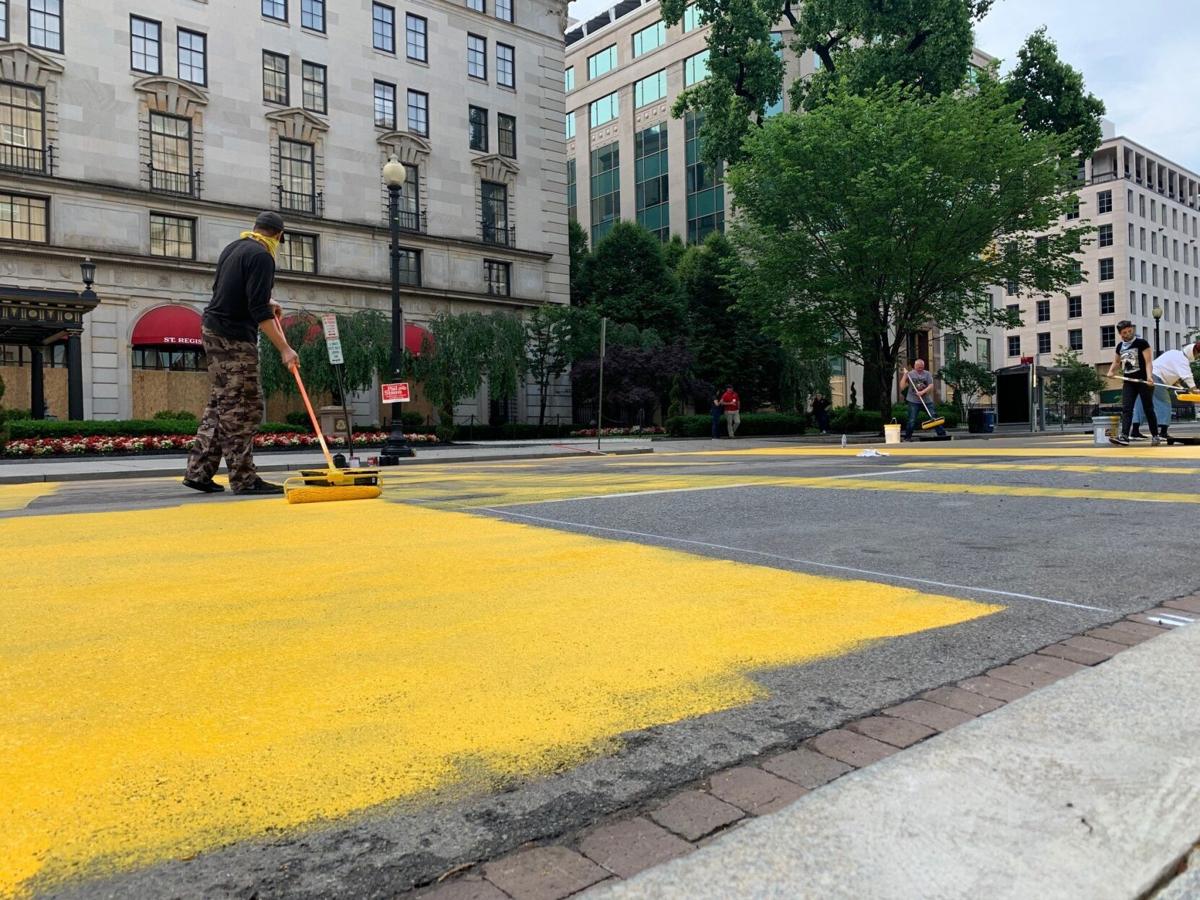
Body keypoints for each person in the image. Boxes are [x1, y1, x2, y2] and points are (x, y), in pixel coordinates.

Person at [183, 211, 300, 494]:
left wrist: (267, 300)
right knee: (243, 407)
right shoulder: (262, 256)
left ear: (256, 228)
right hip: (234, 338)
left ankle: (199, 472)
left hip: (213, 330)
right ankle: (245, 479)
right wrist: (285, 349)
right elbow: (258, 312)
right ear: (279, 236)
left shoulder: (234, 248)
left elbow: (232, 291)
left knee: (221, 405)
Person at [1130, 341, 1200, 440]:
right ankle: (1163, 432)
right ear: (1194, 352)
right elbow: (1188, 377)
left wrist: (1177, 383)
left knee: (1140, 402)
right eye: (1198, 355)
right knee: (1164, 402)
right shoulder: (1183, 360)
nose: (1198, 358)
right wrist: (1195, 390)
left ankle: (1135, 431)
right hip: (1155, 378)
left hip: (1146, 375)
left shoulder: (1173, 353)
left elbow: (1167, 369)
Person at [1105, 320, 1159, 446]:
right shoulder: (1120, 346)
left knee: (1148, 408)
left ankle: (1155, 435)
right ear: (1120, 334)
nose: (1128, 334)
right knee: (1127, 408)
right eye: (1125, 332)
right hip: (1129, 381)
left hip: (1143, 380)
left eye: (1130, 331)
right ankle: (1124, 436)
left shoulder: (1141, 343)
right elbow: (1117, 362)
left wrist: (1150, 377)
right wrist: (1111, 371)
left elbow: (1148, 362)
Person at [899, 360, 947, 440]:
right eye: (918, 367)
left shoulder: (927, 374)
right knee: (912, 419)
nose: (920, 369)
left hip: (926, 400)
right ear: (915, 366)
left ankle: (942, 434)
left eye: (921, 367)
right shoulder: (910, 374)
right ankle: (907, 437)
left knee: (933, 416)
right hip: (913, 401)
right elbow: (902, 387)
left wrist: (922, 392)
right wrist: (905, 376)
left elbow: (931, 385)